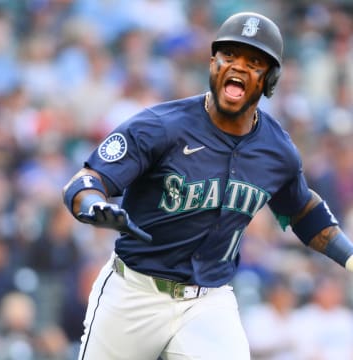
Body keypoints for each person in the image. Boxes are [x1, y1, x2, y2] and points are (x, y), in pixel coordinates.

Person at [62, 12, 353, 360]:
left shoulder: (278, 150)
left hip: (208, 302)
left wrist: (349, 257)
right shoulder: (160, 126)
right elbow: (86, 179)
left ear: (270, 79)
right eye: (229, 56)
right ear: (213, 64)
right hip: (133, 292)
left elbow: (304, 211)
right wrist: (92, 204)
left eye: (254, 61)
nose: (238, 67)